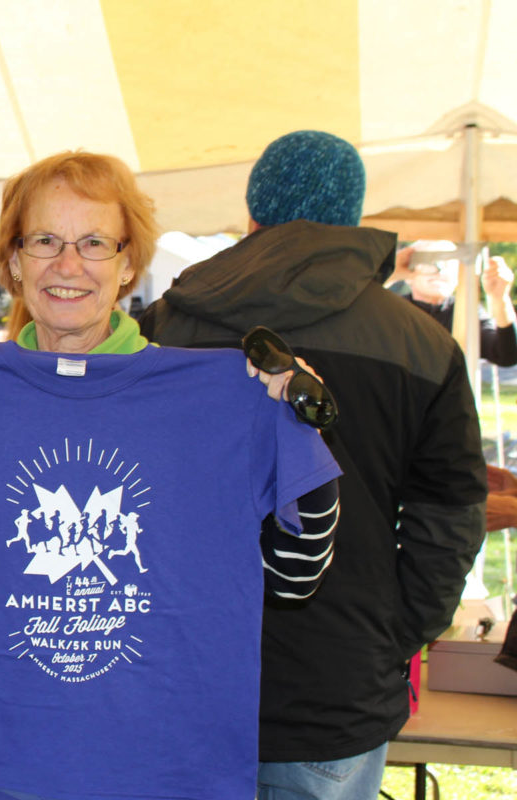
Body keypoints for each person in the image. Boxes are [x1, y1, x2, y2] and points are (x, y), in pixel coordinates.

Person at [0, 151, 341, 800]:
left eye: (94, 243)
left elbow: (297, 577)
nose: (68, 264)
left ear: (128, 263)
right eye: (44, 240)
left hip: (161, 772)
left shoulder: (220, 400)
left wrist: (297, 429)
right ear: (14, 260)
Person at [138, 130, 488, 800]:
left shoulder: (167, 326)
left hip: (181, 673)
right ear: (353, 219)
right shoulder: (421, 343)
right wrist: (394, 634)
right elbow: (451, 520)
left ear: (252, 215)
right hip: (339, 683)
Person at [383, 239, 517, 366]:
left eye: (449, 263)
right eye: (430, 262)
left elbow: (507, 355)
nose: (440, 271)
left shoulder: (465, 310)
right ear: (407, 275)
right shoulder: (391, 310)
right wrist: (388, 276)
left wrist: (500, 298)